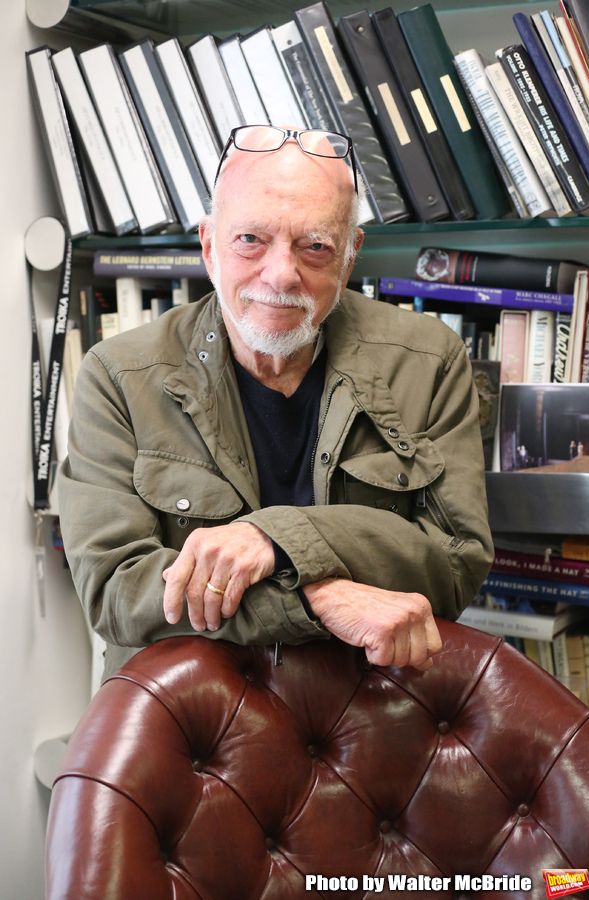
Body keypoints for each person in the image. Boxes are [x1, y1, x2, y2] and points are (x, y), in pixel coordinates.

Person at [58, 125, 493, 681]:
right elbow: (118, 590)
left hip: (371, 714)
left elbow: (456, 565)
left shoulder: (429, 360)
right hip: (188, 726)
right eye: (251, 240)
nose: (281, 274)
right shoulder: (118, 375)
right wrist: (317, 601)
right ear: (210, 245)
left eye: (315, 245)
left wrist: (273, 539)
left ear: (350, 255)